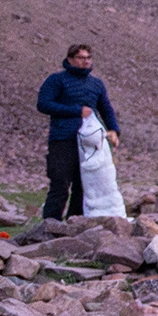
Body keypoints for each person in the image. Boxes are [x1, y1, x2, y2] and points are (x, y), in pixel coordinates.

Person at [36, 43, 120, 221]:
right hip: (63, 139)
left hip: (90, 141)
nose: (86, 62)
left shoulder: (96, 84)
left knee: (84, 185)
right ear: (70, 59)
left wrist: (113, 130)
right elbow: (43, 104)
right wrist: (76, 111)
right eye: (81, 58)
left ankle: (75, 224)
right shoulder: (56, 80)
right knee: (60, 183)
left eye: (88, 58)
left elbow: (106, 108)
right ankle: (50, 225)